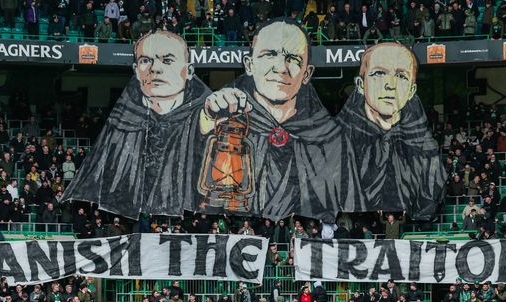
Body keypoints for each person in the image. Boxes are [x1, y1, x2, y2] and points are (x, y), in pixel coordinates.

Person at [198, 20, 342, 222]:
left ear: (307, 73)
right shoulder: (225, 119)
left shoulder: (328, 134)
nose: (280, 68)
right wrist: (205, 122)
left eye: (292, 58)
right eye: (269, 54)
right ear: (249, 65)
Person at [62, 30, 211, 217]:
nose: (155, 69)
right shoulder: (118, 124)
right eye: (146, 61)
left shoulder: (209, 117)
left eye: (167, 60)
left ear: (188, 71)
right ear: (136, 71)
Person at [337, 42, 446, 220]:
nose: (390, 85)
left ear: (412, 90)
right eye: (379, 73)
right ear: (360, 84)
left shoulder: (424, 149)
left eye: (401, 76)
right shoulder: (337, 141)